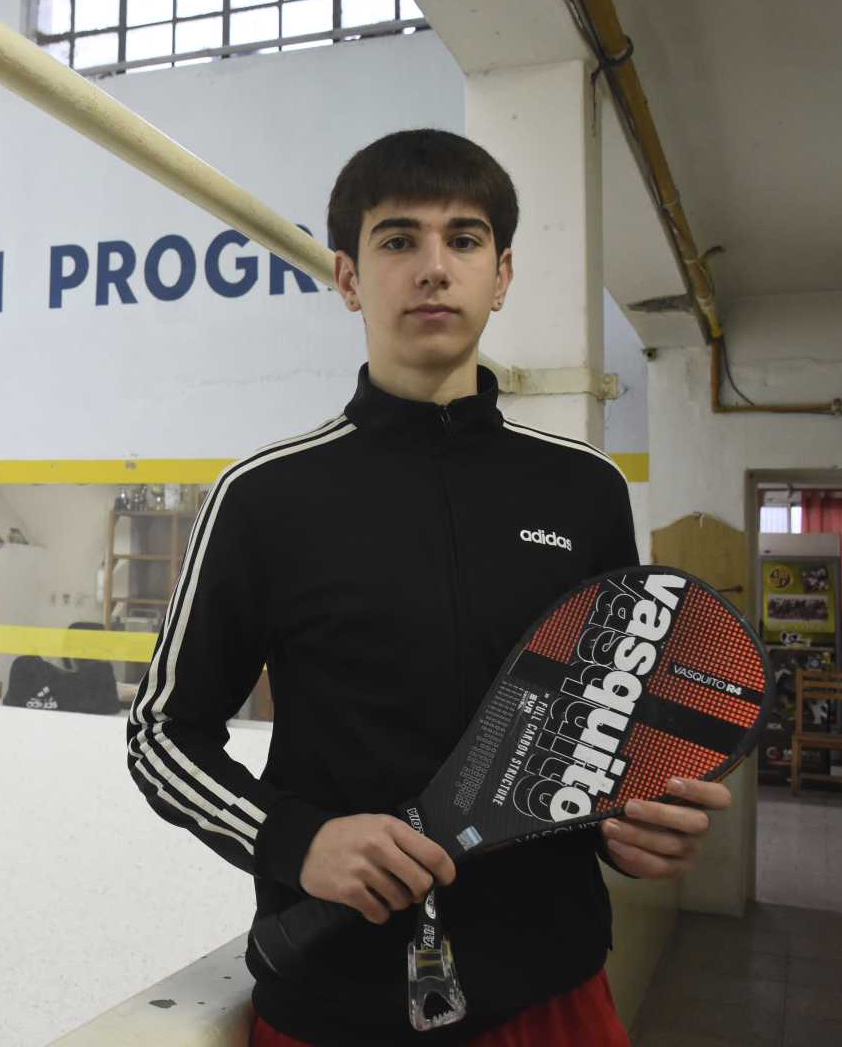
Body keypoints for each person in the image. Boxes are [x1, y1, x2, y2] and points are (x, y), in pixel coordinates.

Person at [124, 129, 729, 1046]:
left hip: (555, 988)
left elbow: (599, 725)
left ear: (503, 274)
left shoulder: (585, 489)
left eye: (466, 239)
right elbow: (161, 736)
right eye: (399, 240)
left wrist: (634, 831)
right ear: (349, 277)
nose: (434, 268)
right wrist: (298, 841)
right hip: (339, 1002)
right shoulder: (264, 498)